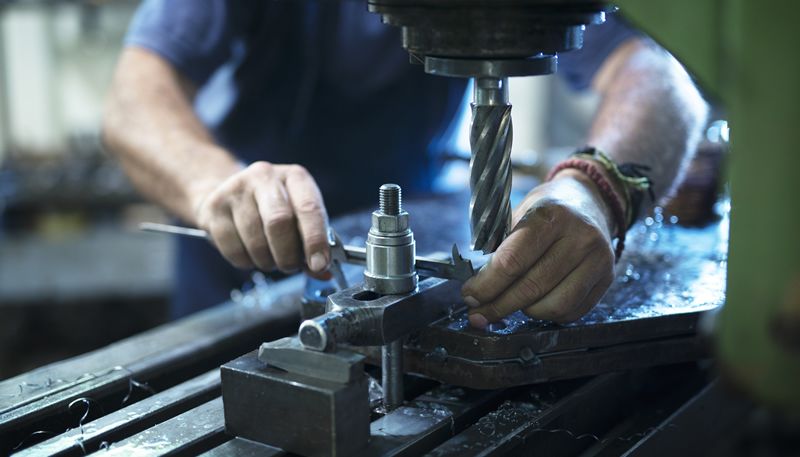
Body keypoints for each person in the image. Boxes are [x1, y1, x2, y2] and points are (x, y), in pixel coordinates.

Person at [103, 1, 707, 325]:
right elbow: (133, 101)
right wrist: (215, 186)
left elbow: (660, 77)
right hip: (250, 293)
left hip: (421, 278)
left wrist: (592, 190)